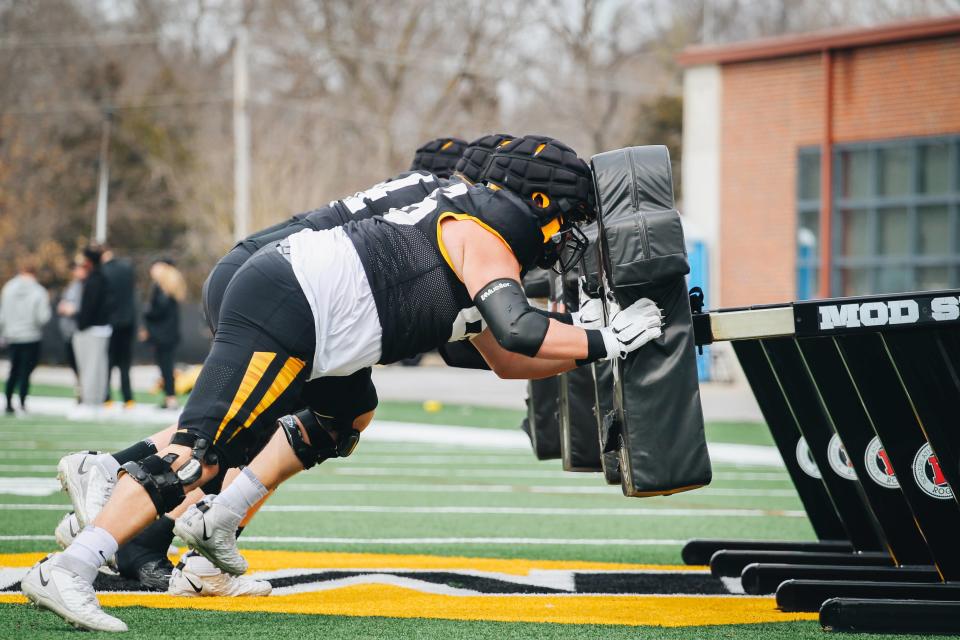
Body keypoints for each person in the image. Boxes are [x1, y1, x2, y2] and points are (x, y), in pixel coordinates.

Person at [23, 134, 663, 632]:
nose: (572, 238)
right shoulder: (483, 227)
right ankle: (72, 563)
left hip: (313, 320)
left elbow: (505, 358)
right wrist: (608, 336)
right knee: (195, 451)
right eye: (572, 220)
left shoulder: (481, 230)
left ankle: (214, 517)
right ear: (541, 205)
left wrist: (591, 347)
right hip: (289, 304)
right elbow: (520, 329)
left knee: (341, 416)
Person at [52, 137, 480, 595]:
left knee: (286, 423)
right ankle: (128, 504)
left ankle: (160, 534)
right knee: (283, 428)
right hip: (279, 295)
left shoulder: (405, 196)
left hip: (265, 279)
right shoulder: (438, 206)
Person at [0, 257, 51, 415]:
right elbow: (42, 317)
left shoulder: (8, 288)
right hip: (31, 336)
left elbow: (2, 315)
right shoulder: (39, 291)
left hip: (13, 335)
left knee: (13, 370)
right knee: (25, 372)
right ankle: (22, 402)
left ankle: (8, 402)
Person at [71, 246, 112, 413]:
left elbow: (89, 307)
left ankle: (90, 401)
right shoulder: (102, 277)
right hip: (101, 328)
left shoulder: (94, 280)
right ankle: (96, 400)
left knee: (90, 367)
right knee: (97, 366)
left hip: (92, 329)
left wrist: (80, 323)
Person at [141, 259, 185, 410]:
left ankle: (171, 398)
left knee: (166, 366)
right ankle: (169, 397)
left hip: (164, 335)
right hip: (166, 334)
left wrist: (147, 312)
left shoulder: (164, 289)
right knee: (165, 367)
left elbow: (156, 311)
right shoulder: (167, 288)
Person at [101, 246, 137, 408]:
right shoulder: (127, 268)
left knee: (107, 362)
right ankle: (128, 398)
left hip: (110, 323)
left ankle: (107, 396)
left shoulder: (103, 271)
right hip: (128, 322)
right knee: (125, 364)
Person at [57, 259, 86, 400]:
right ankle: (80, 389)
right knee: (74, 365)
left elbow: (86, 307)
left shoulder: (87, 285)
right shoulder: (72, 285)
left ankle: (84, 392)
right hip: (68, 332)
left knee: (83, 365)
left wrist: (73, 310)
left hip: (80, 332)